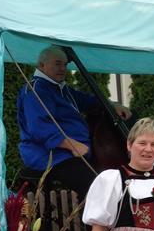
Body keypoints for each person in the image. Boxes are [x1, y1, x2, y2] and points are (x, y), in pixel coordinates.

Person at [16, 45, 130, 200]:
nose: (63, 68)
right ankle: (96, 223)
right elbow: (39, 128)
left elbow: (87, 101)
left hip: (73, 152)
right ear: (41, 65)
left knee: (109, 182)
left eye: (64, 65)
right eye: (57, 63)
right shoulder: (35, 90)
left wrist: (111, 105)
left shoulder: (61, 89)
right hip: (53, 156)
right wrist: (71, 144)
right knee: (97, 190)